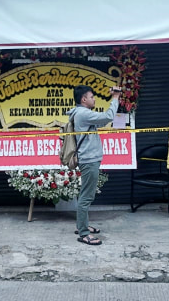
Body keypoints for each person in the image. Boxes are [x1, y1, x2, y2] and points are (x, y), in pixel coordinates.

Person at [66, 84, 121, 245]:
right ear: (84, 99)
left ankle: (82, 225)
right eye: (91, 97)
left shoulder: (82, 113)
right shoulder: (83, 113)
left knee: (85, 194)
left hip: (88, 159)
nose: (94, 99)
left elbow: (100, 122)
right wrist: (115, 98)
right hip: (89, 160)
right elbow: (109, 116)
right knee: (86, 196)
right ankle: (83, 233)